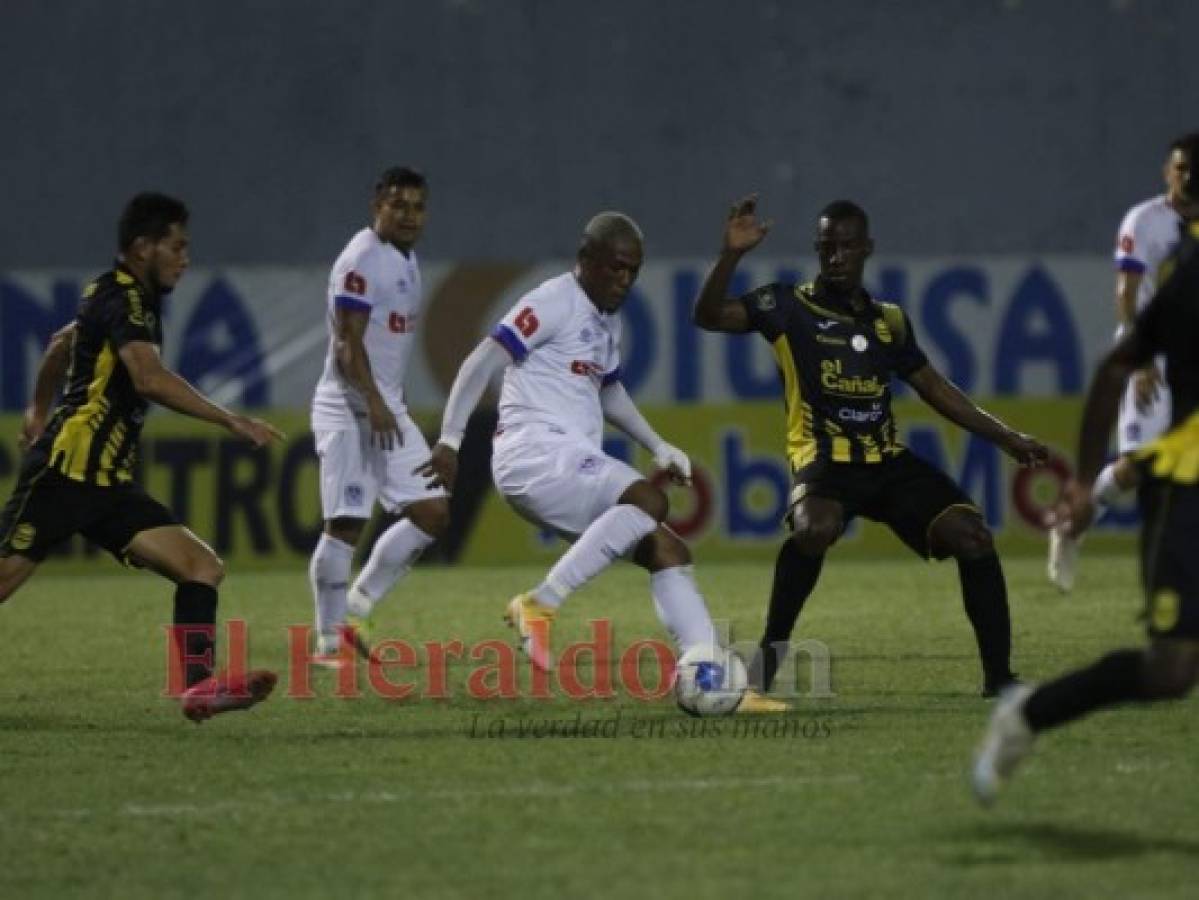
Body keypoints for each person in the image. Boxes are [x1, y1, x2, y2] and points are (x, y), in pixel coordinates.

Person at [418, 211, 787, 713]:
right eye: (614, 267)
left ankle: (713, 683)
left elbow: (608, 390)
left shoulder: (604, 321)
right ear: (585, 260)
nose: (624, 280)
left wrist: (658, 445)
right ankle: (541, 603)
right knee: (648, 499)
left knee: (668, 552)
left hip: (565, 460)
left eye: (632, 271)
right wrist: (450, 441)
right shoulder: (553, 301)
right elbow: (481, 361)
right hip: (534, 453)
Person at [693, 196, 1048, 698]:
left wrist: (1008, 438)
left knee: (972, 537)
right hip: (824, 462)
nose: (836, 257)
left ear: (867, 249)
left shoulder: (889, 321)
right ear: (817, 250)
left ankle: (1000, 678)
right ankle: (768, 662)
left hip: (885, 462)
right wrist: (730, 255)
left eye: (846, 247)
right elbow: (708, 316)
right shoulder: (786, 306)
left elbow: (935, 388)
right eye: (826, 248)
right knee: (815, 529)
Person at [0, 192, 283, 722]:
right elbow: (149, 380)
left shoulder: (114, 296)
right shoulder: (123, 298)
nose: (185, 258)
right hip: (64, 473)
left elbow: (61, 344)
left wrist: (36, 409)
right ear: (140, 248)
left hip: (107, 485)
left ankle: (198, 689)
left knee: (201, 566)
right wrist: (230, 419)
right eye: (175, 246)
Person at [973, 212, 1199, 805]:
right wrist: (1079, 483)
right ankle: (1028, 714)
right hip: (1187, 484)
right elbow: (1114, 366)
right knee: (1172, 669)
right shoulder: (1189, 274)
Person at [308, 167, 449, 663]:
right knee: (346, 522)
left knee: (433, 511)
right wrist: (372, 401)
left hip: (384, 407)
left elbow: (386, 348)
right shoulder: (363, 259)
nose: (409, 215)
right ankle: (328, 641)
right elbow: (347, 345)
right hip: (349, 408)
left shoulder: (407, 260)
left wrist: (393, 402)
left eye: (417, 206)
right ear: (377, 207)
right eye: (398, 205)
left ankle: (357, 603)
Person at [1048, 132, 1199, 591]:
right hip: (1150, 357)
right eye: (1181, 168)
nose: (1188, 177)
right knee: (1137, 465)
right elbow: (1127, 293)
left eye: (1195, 169)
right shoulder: (1145, 220)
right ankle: (1072, 521)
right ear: (1167, 171)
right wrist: (1142, 359)